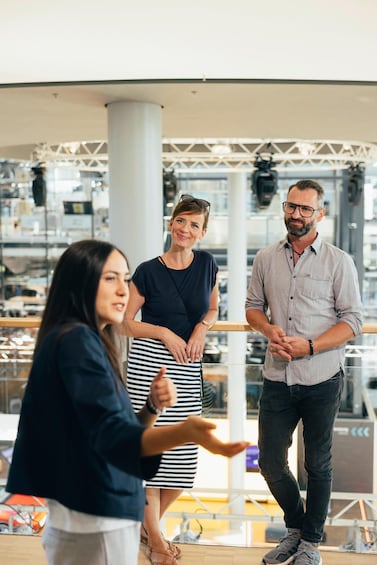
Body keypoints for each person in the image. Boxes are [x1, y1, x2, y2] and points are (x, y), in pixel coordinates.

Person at [6, 239, 248, 565]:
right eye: (110, 278)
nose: (123, 290)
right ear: (80, 283)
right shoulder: (77, 342)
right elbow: (112, 438)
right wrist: (184, 432)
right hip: (97, 520)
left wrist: (150, 408)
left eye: (125, 278)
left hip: (88, 519)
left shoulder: (82, 340)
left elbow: (110, 429)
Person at [245, 180, 363, 565]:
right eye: (291, 206)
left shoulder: (338, 261)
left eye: (305, 209)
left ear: (320, 214)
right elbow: (252, 307)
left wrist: (310, 346)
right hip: (277, 377)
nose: (296, 214)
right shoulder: (265, 257)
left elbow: (353, 321)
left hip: (322, 378)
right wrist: (268, 329)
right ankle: (296, 528)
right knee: (270, 461)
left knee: (318, 464)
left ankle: (311, 544)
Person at [123, 194, 219, 562]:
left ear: (203, 232)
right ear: (171, 223)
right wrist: (163, 332)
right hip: (150, 365)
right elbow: (126, 322)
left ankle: (144, 529)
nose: (186, 229)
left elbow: (212, 307)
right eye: (182, 221)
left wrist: (201, 329)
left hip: (187, 364)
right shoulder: (147, 269)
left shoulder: (208, 264)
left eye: (195, 224)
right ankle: (158, 544)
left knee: (183, 458)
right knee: (149, 453)